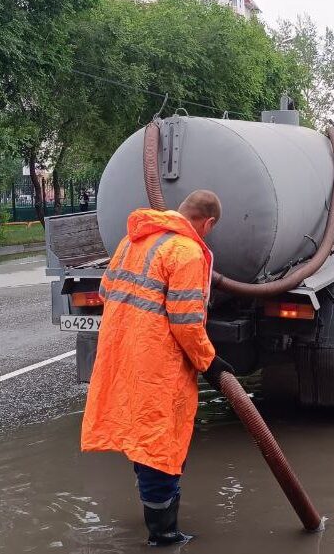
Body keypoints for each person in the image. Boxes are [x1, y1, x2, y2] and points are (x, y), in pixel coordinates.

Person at [81, 190, 234, 547]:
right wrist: (210, 362)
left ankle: (157, 517)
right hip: (157, 365)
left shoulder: (132, 241)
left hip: (122, 356)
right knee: (159, 444)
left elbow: (106, 291)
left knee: (141, 438)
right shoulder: (187, 252)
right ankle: (164, 534)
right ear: (207, 222)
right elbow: (186, 323)